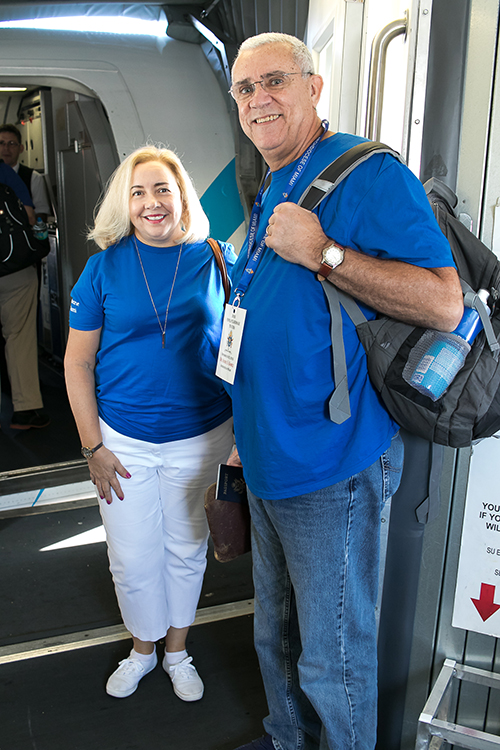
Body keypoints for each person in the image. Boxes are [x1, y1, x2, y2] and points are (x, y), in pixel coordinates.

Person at [223, 33, 464, 750]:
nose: (259, 100)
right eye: (244, 89)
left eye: (274, 82)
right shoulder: (275, 180)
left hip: (331, 462)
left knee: (334, 658)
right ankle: (288, 741)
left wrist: (326, 253)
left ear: (313, 86)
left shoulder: (368, 172)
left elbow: (443, 302)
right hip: (267, 455)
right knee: (275, 636)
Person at [64, 145, 235, 701]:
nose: (151, 202)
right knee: (132, 555)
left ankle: (178, 651)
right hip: (122, 442)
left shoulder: (216, 258)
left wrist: (243, 441)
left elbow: (242, 349)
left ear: (182, 195)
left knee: (186, 549)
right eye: (138, 192)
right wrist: (93, 448)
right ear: (125, 203)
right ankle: (143, 649)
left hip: (204, 435)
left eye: (162, 189)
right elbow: (77, 362)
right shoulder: (104, 267)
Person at [0, 158, 49, 429]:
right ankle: (25, 410)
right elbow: (30, 218)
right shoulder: (6, 173)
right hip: (14, 271)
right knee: (19, 339)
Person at [0, 124, 51, 221]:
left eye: (11, 143)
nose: (6, 148)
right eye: (1, 143)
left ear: (21, 148)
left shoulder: (33, 177)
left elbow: (41, 213)